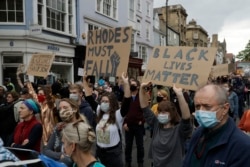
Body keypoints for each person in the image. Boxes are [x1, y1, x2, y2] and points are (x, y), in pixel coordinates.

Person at [183, 84, 250, 167]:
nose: (201, 112)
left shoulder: (242, 146)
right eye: (197, 106)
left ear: (225, 108)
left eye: (207, 107)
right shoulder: (197, 134)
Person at [139, 83, 192, 167]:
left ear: (172, 114)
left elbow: (186, 118)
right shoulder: (157, 125)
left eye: (164, 112)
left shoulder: (179, 131)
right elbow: (145, 108)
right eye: (159, 112)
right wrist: (141, 88)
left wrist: (180, 94)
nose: (160, 114)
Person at [83, 72, 129, 167]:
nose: (103, 103)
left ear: (112, 103)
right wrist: (84, 80)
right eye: (102, 101)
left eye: (106, 101)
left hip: (113, 154)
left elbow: (127, 101)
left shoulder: (117, 115)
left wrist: (126, 83)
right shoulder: (99, 110)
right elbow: (88, 97)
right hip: (99, 152)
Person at [43, 98, 87, 167]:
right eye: (60, 109)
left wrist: (68, 158)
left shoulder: (82, 129)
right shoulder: (58, 128)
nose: (62, 111)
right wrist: (60, 155)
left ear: (74, 109)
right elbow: (46, 151)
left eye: (65, 108)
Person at [122, 78, 145, 167]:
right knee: (128, 146)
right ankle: (128, 162)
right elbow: (123, 112)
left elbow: (145, 111)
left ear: (138, 87)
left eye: (134, 85)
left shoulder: (141, 97)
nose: (132, 86)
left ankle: (140, 162)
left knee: (140, 146)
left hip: (139, 125)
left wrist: (142, 121)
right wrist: (124, 123)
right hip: (128, 125)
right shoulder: (127, 98)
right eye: (130, 84)